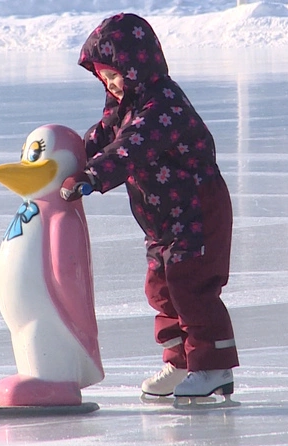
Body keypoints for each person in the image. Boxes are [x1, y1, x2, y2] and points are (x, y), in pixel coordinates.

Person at [60, 13, 239, 400]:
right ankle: (180, 363)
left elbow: (130, 148)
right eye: (103, 76)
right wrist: (65, 157)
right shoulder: (124, 106)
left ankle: (214, 366)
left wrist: (92, 177)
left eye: (114, 74)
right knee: (161, 289)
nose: (109, 83)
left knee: (190, 287)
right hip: (164, 221)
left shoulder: (162, 106)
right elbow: (103, 137)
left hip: (198, 212)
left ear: (136, 65)